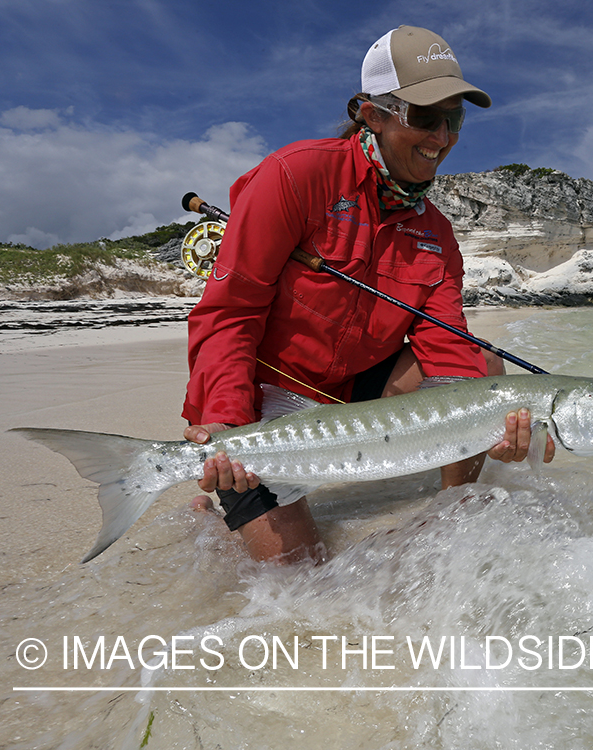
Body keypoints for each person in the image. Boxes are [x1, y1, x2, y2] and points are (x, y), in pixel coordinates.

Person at [181, 25, 553, 564]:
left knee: (482, 366)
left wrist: (487, 428)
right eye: (425, 117)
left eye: (456, 119)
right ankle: (217, 509)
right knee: (298, 578)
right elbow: (230, 313)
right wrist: (228, 423)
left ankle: (455, 516)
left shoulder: (438, 234)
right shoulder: (293, 176)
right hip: (262, 403)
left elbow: (447, 350)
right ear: (370, 113)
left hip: (352, 394)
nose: (443, 137)